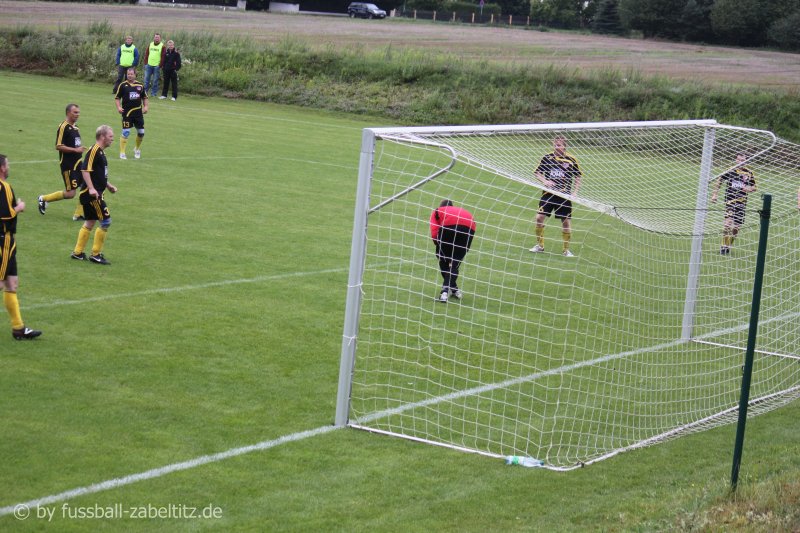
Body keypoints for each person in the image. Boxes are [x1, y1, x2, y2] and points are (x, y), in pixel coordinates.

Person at [0, 154, 42, 340]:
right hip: (3, 240)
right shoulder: (4, 187)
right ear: (2, 168)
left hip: (9, 241)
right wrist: (19, 207)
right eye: (7, 165)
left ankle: (18, 328)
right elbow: (5, 214)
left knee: (11, 284)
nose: (9, 168)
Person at [71, 125, 118, 265]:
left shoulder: (100, 152)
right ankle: (95, 255)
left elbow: (97, 174)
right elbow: (85, 170)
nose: (112, 139)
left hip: (95, 193)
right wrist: (91, 189)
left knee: (90, 222)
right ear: (102, 137)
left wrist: (108, 185)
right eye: (110, 136)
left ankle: (78, 252)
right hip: (92, 195)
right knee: (106, 221)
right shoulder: (94, 151)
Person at [530, 135, 583, 257]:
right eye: (555, 144)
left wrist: (575, 192)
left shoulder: (571, 159)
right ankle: (540, 246)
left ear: (564, 146)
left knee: (565, 223)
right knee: (538, 218)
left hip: (564, 196)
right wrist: (545, 181)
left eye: (559, 145)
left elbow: (578, 176)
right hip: (548, 195)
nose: (556, 146)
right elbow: (537, 172)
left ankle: (566, 250)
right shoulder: (547, 157)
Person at [37, 103, 87, 221]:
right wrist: (75, 150)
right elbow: (58, 146)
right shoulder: (63, 127)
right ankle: (43, 199)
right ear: (68, 113)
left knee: (87, 186)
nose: (77, 115)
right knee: (70, 194)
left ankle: (78, 214)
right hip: (68, 165)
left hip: (79, 163)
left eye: (78, 112)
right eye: (75, 112)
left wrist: (80, 149)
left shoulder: (75, 127)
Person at [430, 199, 476, 303]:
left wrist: (438, 244)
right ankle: (454, 289)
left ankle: (444, 292)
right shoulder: (462, 211)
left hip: (449, 226)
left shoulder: (438, 211)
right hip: (469, 229)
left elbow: (434, 231)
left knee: (442, 258)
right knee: (454, 264)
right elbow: (473, 225)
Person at [711, 153, 757, 255]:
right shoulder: (730, 170)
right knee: (727, 224)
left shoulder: (749, 173)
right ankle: (723, 246)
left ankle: (728, 245)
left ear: (746, 161)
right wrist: (714, 195)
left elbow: (754, 187)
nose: (740, 162)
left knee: (736, 228)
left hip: (742, 203)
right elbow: (719, 181)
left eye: (743, 160)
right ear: (736, 160)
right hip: (730, 201)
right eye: (739, 160)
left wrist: (748, 189)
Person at [115, 67, 149, 160]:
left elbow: (145, 97)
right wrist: (118, 107)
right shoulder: (122, 85)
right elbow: (117, 98)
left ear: (135, 74)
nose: (129, 76)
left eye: (131, 74)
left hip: (138, 113)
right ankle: (122, 153)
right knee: (126, 132)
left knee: (141, 132)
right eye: (128, 74)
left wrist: (146, 107)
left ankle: (137, 149)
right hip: (127, 113)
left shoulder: (140, 85)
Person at [142, 33, 165, 98]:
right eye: (155, 37)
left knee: (155, 81)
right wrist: (146, 63)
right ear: (154, 38)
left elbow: (163, 57)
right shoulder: (150, 44)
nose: (156, 38)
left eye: (158, 37)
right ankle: (144, 93)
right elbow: (146, 54)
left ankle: (153, 94)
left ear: (160, 38)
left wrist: (160, 65)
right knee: (146, 80)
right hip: (149, 65)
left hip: (156, 66)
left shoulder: (162, 46)